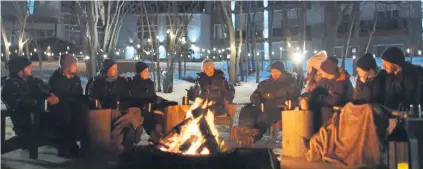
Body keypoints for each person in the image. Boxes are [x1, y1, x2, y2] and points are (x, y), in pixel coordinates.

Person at [0, 57, 69, 156]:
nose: (31, 68)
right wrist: (45, 102)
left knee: (67, 109)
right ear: (19, 70)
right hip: (26, 124)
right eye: (28, 67)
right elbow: (21, 103)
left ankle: (69, 146)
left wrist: (52, 96)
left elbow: (46, 89)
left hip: (41, 117)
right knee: (59, 121)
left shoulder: (32, 81)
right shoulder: (9, 86)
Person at [88, 59, 142, 152]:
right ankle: (118, 144)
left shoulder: (121, 82)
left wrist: (123, 105)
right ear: (107, 70)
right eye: (113, 68)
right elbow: (92, 98)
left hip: (121, 109)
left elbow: (127, 97)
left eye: (116, 68)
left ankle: (128, 146)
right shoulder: (97, 82)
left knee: (135, 114)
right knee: (122, 119)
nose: (116, 70)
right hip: (105, 113)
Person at [239, 61, 300, 142]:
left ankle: (254, 135)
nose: (274, 74)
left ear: (282, 72)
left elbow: (297, 98)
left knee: (264, 117)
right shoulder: (265, 84)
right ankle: (245, 134)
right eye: (272, 71)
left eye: (276, 72)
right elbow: (254, 96)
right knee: (245, 110)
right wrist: (259, 103)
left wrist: (289, 104)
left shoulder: (290, 83)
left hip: (279, 109)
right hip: (263, 107)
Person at [48, 54, 88, 157]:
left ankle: (82, 143)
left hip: (74, 107)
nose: (77, 67)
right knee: (66, 113)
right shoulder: (56, 79)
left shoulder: (76, 79)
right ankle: (66, 146)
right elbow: (56, 98)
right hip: (60, 110)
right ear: (66, 67)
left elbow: (78, 96)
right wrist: (64, 100)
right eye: (74, 65)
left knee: (84, 111)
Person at [130, 61, 177, 140]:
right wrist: (151, 101)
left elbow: (153, 96)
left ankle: (169, 129)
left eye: (148, 71)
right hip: (142, 107)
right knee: (149, 115)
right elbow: (137, 97)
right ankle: (155, 134)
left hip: (153, 104)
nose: (147, 73)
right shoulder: (135, 83)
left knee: (172, 104)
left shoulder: (150, 83)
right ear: (140, 73)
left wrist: (161, 100)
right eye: (145, 71)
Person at [303, 57, 353, 131]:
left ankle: (323, 134)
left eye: (322, 70)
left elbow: (333, 101)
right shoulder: (326, 80)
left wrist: (316, 98)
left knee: (324, 111)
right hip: (330, 109)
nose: (320, 72)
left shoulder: (341, 82)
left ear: (328, 72)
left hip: (340, 112)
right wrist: (305, 96)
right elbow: (316, 90)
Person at [380, 47, 420, 114]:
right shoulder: (388, 75)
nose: (383, 65)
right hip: (389, 114)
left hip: (403, 115)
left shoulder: (409, 76)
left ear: (395, 63)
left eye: (386, 63)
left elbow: (411, 98)